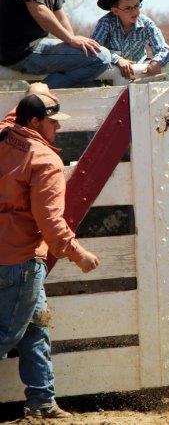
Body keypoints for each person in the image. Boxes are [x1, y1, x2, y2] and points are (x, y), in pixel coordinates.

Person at [0, 84, 100, 419]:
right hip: (21, 260)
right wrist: (77, 253)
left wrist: (37, 91)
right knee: (6, 335)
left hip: (7, 254)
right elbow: (49, 221)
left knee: (35, 327)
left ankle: (42, 401)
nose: (58, 127)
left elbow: (18, 113)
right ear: (35, 121)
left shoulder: (4, 132)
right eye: (52, 121)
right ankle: (42, 401)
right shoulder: (44, 160)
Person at [91, 0, 169, 79]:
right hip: (110, 80)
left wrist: (156, 62)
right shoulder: (106, 23)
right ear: (115, 11)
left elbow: (164, 49)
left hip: (139, 76)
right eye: (128, 8)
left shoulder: (146, 23)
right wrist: (117, 60)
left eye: (136, 6)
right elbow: (94, 49)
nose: (134, 11)